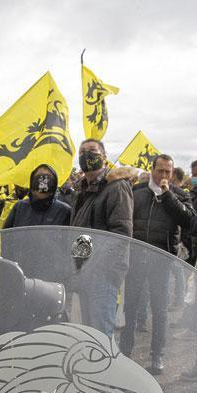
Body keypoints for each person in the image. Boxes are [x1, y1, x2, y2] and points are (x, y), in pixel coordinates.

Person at [119, 154, 193, 374]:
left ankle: (157, 356)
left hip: (162, 260)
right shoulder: (137, 192)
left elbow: (188, 220)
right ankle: (125, 353)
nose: (163, 175)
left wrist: (168, 195)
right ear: (152, 169)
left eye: (167, 172)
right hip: (137, 258)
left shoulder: (179, 194)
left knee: (160, 310)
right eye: (160, 170)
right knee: (130, 307)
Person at [71, 139, 135, 339]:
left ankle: (105, 371)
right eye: (82, 152)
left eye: (92, 151)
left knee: (101, 337)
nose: (86, 155)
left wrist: (95, 266)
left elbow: (121, 233)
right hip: (85, 273)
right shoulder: (84, 190)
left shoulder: (116, 187)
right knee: (89, 334)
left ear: (104, 157)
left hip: (103, 275)